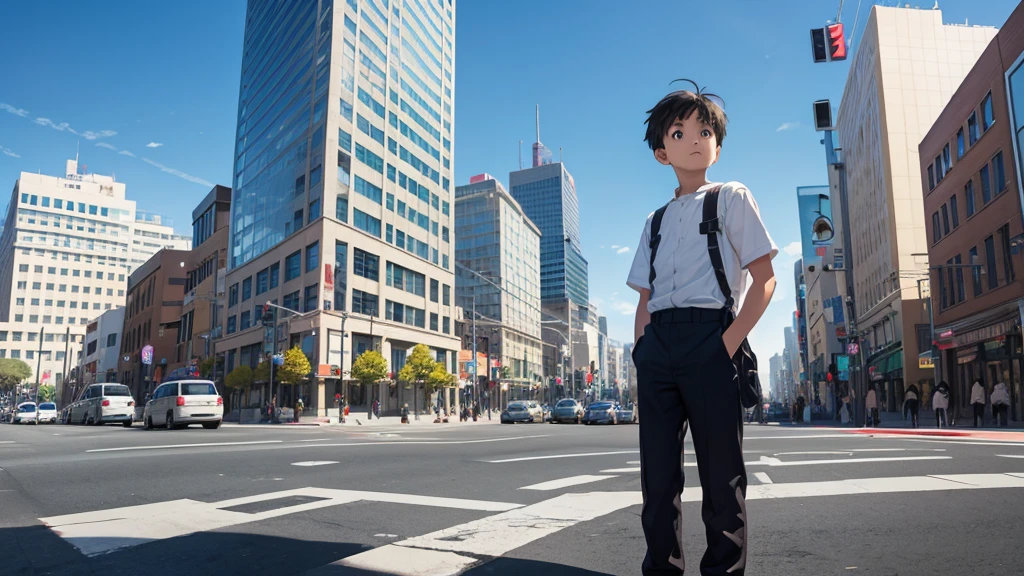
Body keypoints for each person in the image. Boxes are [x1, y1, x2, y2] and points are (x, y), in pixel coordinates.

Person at [627, 80, 777, 576]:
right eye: (679, 131)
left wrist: (725, 346)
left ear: (717, 142)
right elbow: (644, 299)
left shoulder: (731, 197)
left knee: (722, 479)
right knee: (658, 481)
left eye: (704, 129)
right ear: (660, 152)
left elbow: (764, 279)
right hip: (659, 349)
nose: (694, 138)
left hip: (711, 336)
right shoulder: (655, 220)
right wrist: (641, 353)